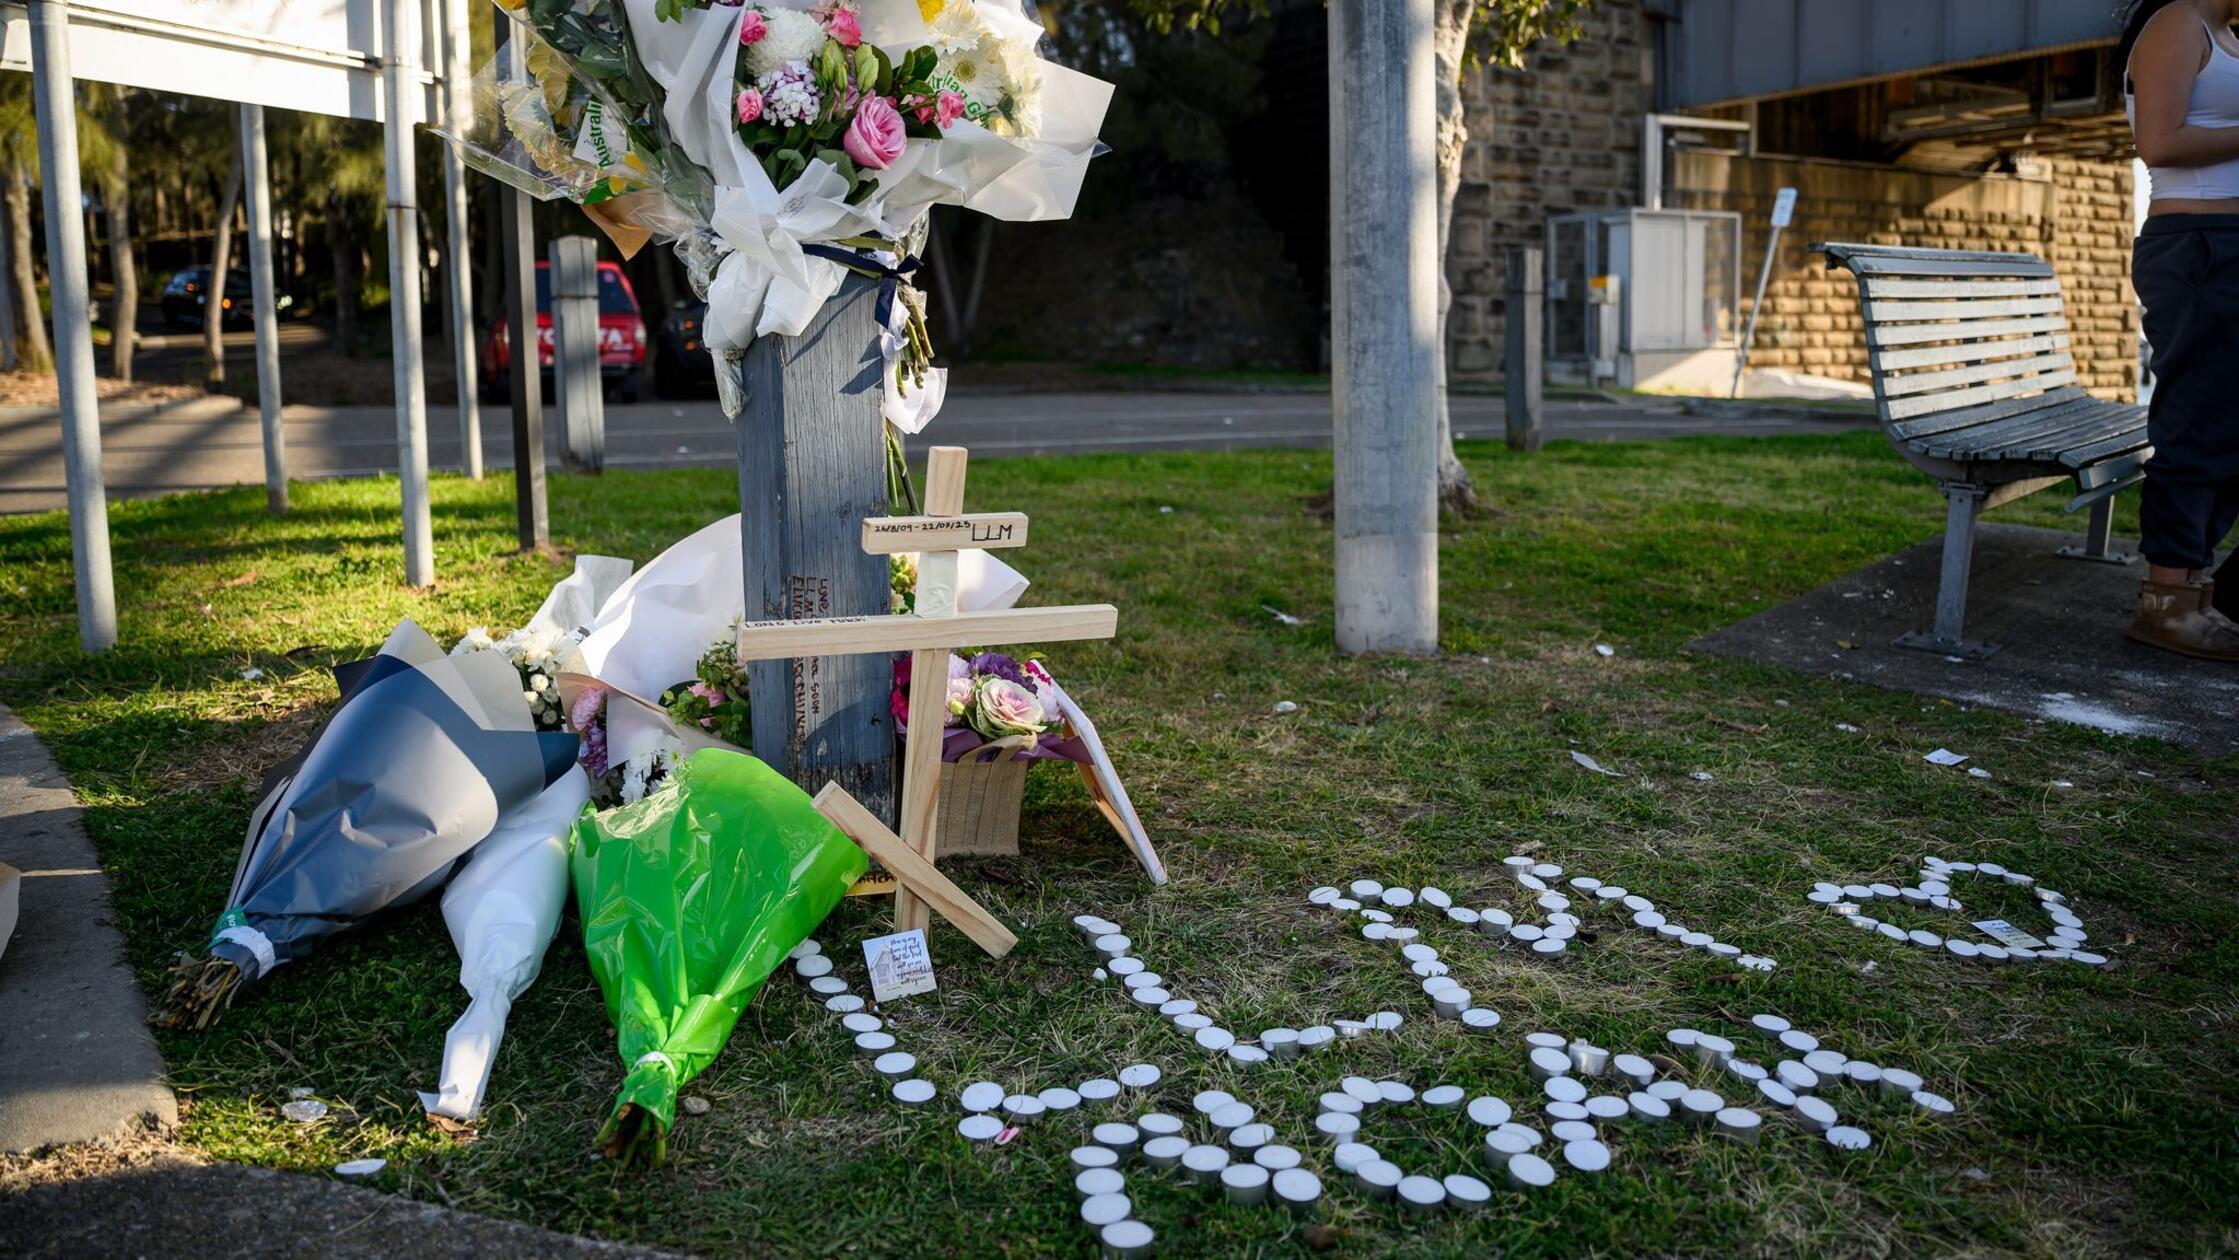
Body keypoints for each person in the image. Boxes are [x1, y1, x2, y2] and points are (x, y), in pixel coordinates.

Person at [2124, 0, 2239, 660]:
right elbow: (2158, 141)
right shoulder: (2178, 22)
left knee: (2228, 426)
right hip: (2198, 243)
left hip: (2225, 242)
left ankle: (2199, 592)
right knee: (2197, 422)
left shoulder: (2225, 33)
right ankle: (2166, 601)